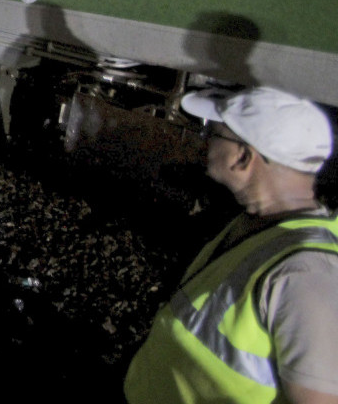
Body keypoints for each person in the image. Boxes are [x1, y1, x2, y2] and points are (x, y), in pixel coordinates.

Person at [124, 86, 338, 404]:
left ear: (243, 157)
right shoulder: (257, 224)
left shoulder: (306, 273)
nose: (204, 139)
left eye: (214, 133)